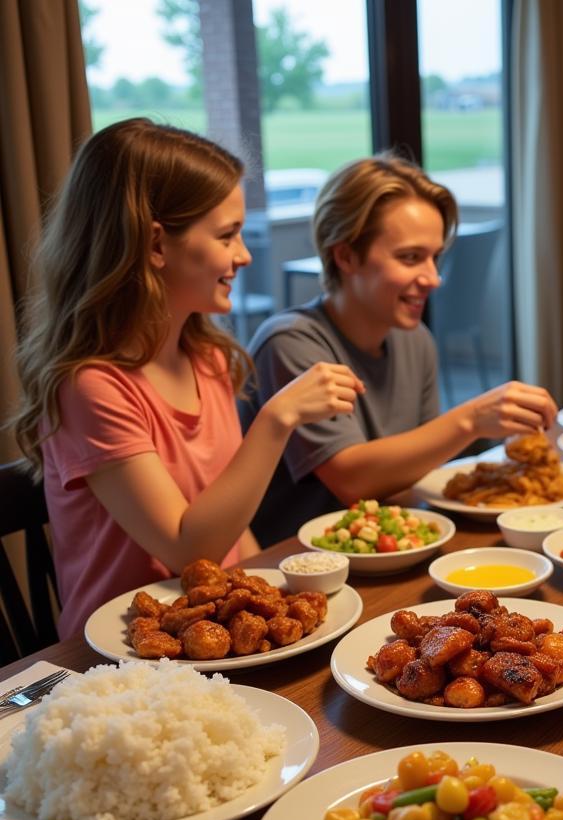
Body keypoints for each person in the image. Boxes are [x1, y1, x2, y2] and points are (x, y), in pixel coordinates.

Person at [11, 119, 363, 637]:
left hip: (213, 632)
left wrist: (274, 603)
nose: (243, 255)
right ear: (156, 245)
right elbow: (185, 549)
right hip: (122, 657)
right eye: (227, 235)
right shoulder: (91, 388)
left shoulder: (208, 358)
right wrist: (277, 417)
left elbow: (229, 524)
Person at [240, 154, 557, 546]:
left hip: (394, 554)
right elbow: (351, 479)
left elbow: (415, 475)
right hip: (294, 571)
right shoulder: (290, 342)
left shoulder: (414, 338)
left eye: (435, 257)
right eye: (410, 258)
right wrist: (472, 419)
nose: (433, 278)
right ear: (346, 256)